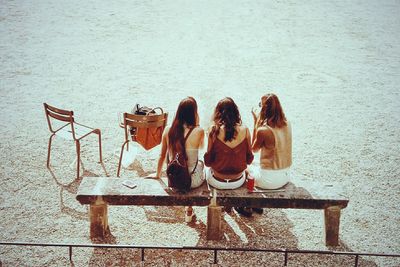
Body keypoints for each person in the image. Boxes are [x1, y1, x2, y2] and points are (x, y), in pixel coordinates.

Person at [154, 97, 205, 223]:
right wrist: (197, 124)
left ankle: (189, 208)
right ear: (194, 113)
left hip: (174, 178)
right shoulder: (199, 131)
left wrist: (157, 174)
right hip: (191, 181)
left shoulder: (168, 130)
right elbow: (202, 147)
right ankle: (189, 208)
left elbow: (161, 156)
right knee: (201, 165)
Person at [204, 97, 254, 217]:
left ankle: (223, 206)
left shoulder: (213, 131)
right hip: (237, 180)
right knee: (249, 171)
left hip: (217, 181)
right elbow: (249, 159)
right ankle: (239, 205)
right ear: (236, 112)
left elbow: (208, 162)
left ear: (218, 113)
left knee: (205, 169)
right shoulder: (245, 130)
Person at [251, 93, 292, 192]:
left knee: (244, 168)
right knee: (253, 164)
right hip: (286, 175)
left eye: (260, 105)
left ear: (264, 109)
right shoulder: (288, 124)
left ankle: (247, 205)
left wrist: (256, 123)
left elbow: (253, 149)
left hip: (269, 180)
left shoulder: (264, 130)